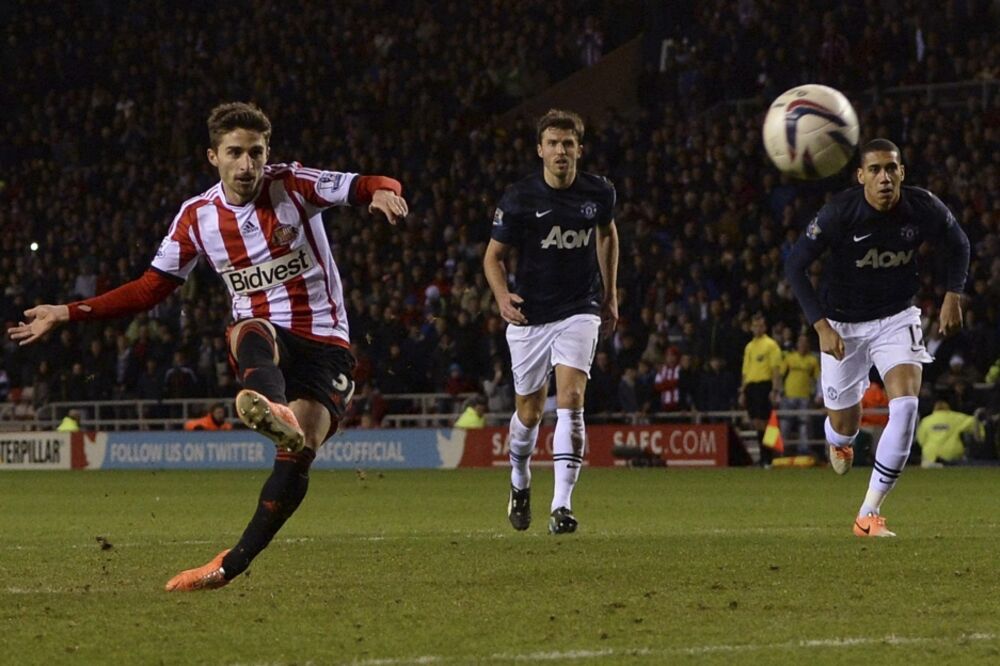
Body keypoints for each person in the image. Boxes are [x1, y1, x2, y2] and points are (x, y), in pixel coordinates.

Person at [8, 102, 409, 588]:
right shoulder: (196, 217)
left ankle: (228, 566)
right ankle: (275, 408)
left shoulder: (295, 184)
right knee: (247, 328)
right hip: (266, 338)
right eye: (235, 153)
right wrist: (67, 311)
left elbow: (368, 182)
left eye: (256, 153)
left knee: (299, 455)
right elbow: (149, 288)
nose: (247, 165)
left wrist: (386, 193)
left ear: (268, 153)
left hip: (328, 343)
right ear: (212, 157)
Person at [785, 138, 969, 537]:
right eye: (874, 170)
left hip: (896, 317)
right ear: (860, 176)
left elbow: (959, 243)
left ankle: (868, 513)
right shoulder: (839, 213)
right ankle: (839, 439)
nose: (884, 177)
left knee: (905, 406)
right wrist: (821, 326)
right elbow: (796, 266)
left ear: (902, 172)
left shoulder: (922, 207)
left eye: (891, 168)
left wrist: (954, 293)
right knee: (845, 426)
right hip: (842, 326)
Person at [484, 108, 618, 535]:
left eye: (568, 144)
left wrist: (610, 295)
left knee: (572, 398)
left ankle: (562, 504)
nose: (561, 151)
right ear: (540, 149)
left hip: (580, 308)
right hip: (530, 315)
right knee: (529, 411)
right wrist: (502, 296)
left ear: (580, 149)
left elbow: (607, 234)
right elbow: (493, 257)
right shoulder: (520, 198)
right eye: (554, 144)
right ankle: (520, 480)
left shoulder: (599, 192)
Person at [739, 314, 783, 467]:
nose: (757, 328)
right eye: (755, 325)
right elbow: (745, 371)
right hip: (751, 387)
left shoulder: (771, 345)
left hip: (764, 386)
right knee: (756, 422)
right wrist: (742, 391)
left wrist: (775, 390)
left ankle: (768, 458)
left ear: (764, 327)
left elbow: (776, 369)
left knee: (766, 423)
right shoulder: (749, 347)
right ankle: (764, 457)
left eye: (760, 325)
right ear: (751, 327)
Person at [780, 334, 820, 454]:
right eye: (800, 342)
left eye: (805, 342)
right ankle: (781, 451)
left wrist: (819, 395)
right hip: (788, 396)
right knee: (785, 424)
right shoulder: (789, 358)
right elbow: (781, 375)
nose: (802, 345)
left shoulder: (812, 360)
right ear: (797, 344)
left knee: (805, 425)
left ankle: (804, 451)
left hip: (805, 397)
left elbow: (818, 379)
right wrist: (777, 392)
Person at [915, 401, 985, 467]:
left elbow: (921, 439)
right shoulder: (957, 418)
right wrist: (982, 434)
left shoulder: (926, 421)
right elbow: (974, 421)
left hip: (930, 456)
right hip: (951, 455)